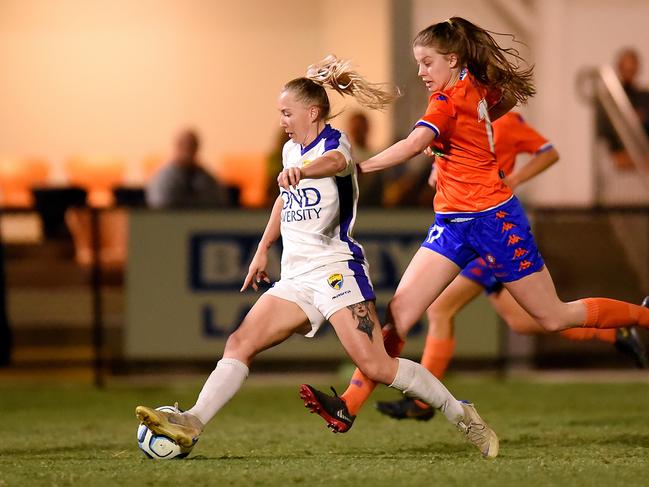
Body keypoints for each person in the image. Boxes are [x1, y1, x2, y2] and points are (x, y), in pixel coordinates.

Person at [135, 55, 500, 459]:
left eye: (286, 112)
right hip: (296, 277)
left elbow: (338, 164)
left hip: (336, 271)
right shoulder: (292, 150)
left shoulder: (333, 143)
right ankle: (193, 421)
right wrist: (262, 249)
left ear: (312, 111)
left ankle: (461, 413)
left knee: (378, 366)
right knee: (239, 342)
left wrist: (304, 173)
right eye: (280, 113)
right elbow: (281, 202)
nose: (282, 121)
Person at [302, 17, 649, 434]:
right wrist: (459, 146)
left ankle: (643, 317)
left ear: (452, 59)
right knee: (400, 313)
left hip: (495, 221)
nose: (421, 72)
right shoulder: (471, 86)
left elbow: (415, 144)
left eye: (427, 63)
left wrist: (357, 167)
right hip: (452, 223)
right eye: (418, 63)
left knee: (553, 317)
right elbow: (496, 104)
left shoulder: (447, 102)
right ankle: (348, 405)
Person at [369, 112, 646, 420]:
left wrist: (513, 179)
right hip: (471, 230)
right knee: (530, 321)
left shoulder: (507, 121)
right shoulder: (457, 115)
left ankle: (417, 404)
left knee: (441, 309)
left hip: (492, 233)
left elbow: (548, 153)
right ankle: (617, 333)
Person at [146, 129, 233, 209]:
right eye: (183, 146)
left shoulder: (208, 180)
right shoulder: (163, 179)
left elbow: (219, 203)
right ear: (177, 146)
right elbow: (159, 207)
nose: (187, 151)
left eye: (191, 146)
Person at [596, 48, 649, 170]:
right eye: (625, 69)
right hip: (618, 155)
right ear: (619, 68)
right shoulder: (608, 99)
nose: (628, 73)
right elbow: (604, 130)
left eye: (632, 69)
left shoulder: (644, 97)